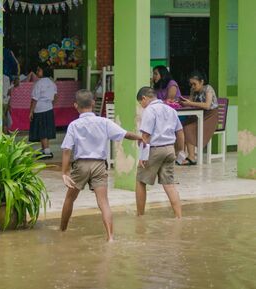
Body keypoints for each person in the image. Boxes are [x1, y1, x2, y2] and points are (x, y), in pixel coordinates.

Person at [60, 90, 143, 242]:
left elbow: (67, 149)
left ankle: (62, 231)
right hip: (99, 165)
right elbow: (125, 134)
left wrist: (65, 172)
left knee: (70, 199)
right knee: (103, 202)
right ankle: (110, 237)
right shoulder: (104, 122)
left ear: (75, 106)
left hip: (81, 165)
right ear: (93, 103)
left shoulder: (74, 125)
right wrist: (140, 137)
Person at [135, 87, 184, 218]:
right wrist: (180, 150)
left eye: (141, 103)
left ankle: (140, 215)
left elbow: (145, 135)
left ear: (144, 98)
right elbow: (180, 132)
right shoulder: (170, 110)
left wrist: (142, 156)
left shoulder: (149, 110)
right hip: (169, 149)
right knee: (169, 184)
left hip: (155, 149)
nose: (142, 106)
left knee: (140, 180)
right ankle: (179, 216)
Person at [179, 71, 219, 165]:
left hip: (210, 116)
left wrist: (190, 103)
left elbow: (207, 105)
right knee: (181, 126)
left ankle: (192, 157)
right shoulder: (193, 90)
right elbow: (191, 103)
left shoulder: (208, 89)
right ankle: (180, 155)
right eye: (191, 84)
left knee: (188, 128)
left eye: (194, 84)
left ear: (201, 82)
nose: (192, 86)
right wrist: (183, 103)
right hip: (199, 115)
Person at [29, 64, 58, 159]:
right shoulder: (52, 83)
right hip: (49, 109)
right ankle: (45, 149)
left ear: (44, 71)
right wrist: (51, 105)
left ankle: (46, 151)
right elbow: (55, 96)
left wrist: (31, 111)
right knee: (46, 131)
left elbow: (34, 99)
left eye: (39, 70)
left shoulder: (39, 83)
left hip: (39, 110)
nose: (37, 72)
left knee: (42, 131)